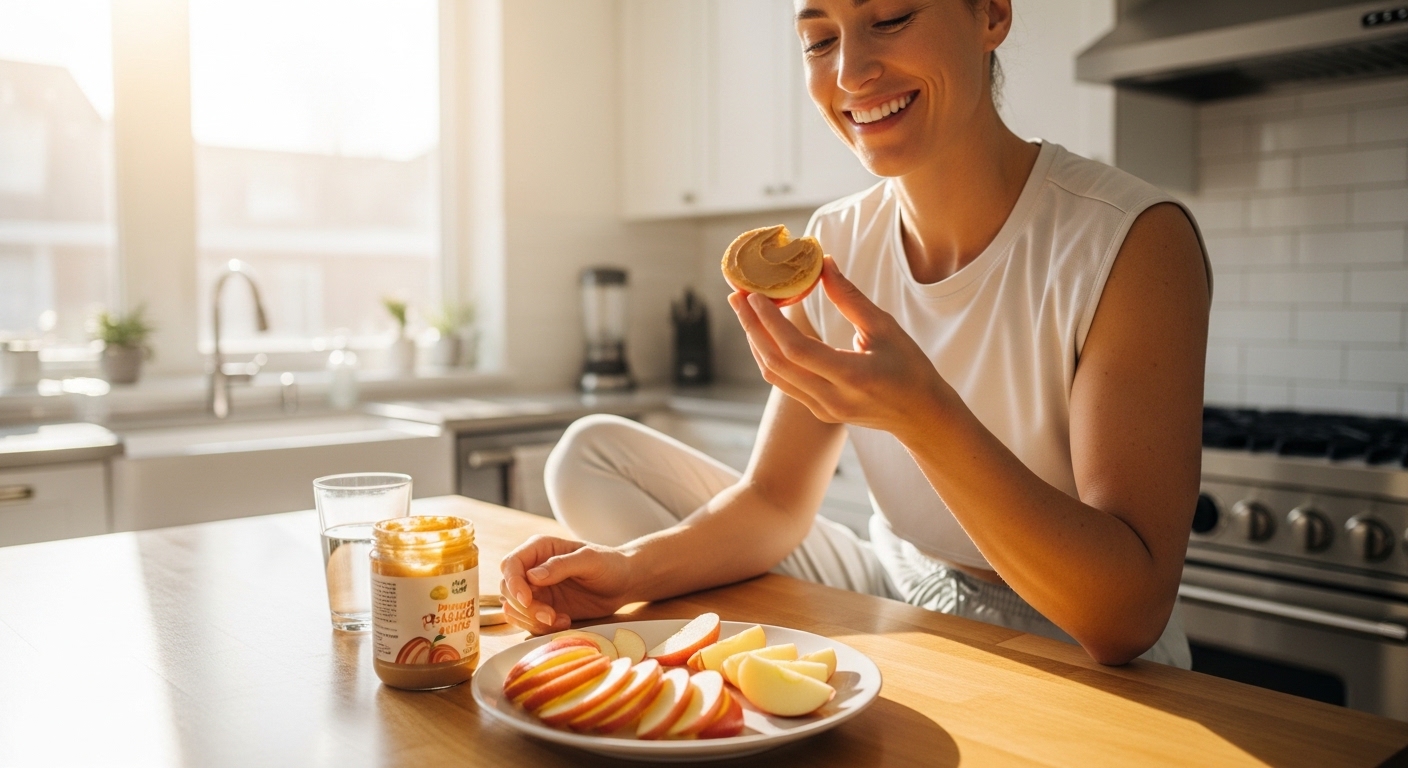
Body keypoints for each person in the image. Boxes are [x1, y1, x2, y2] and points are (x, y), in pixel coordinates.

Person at [500, 0, 1210, 667]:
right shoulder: (836, 240)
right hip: (893, 583)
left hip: (1061, 625)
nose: (849, 73)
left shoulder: (1130, 240)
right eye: (820, 40)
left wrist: (922, 414)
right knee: (588, 454)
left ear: (992, 13)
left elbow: (1125, 618)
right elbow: (776, 502)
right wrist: (625, 573)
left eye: (890, 18)